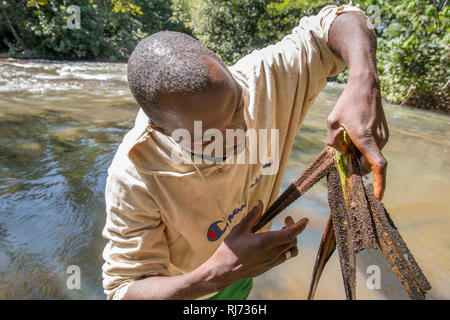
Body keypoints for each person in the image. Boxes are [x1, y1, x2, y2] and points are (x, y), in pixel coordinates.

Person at [102, 4, 389, 300]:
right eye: (206, 138)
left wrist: (363, 83)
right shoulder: (135, 174)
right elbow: (124, 289)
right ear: (162, 131)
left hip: (239, 278)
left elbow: (341, 20)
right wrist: (214, 275)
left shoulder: (261, 80)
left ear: (225, 69)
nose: (238, 134)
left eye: (238, 108)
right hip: (187, 290)